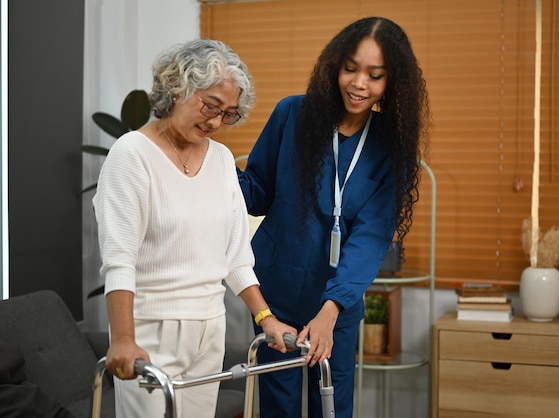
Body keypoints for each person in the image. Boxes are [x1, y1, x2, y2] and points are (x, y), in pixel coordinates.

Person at [93, 39, 297, 418]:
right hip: (150, 329)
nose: (217, 122)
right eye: (210, 106)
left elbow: (236, 256)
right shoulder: (131, 154)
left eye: (229, 114)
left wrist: (265, 318)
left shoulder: (220, 159)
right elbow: (119, 258)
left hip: (210, 328)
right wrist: (122, 340)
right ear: (176, 88)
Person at [237, 16, 430, 418]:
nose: (360, 84)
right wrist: (211, 164)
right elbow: (255, 193)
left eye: (375, 76)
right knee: (279, 409)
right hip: (276, 299)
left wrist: (332, 309)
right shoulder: (292, 115)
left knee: (333, 408)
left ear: (392, 83)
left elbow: (371, 237)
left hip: (336, 309)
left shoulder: (390, 149)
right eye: (350, 69)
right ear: (334, 66)